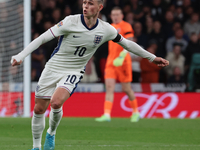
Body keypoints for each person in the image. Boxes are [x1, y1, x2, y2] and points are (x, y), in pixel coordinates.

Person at [10, 0, 169, 150]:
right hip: (53, 67)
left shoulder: (106, 29)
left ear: (100, 7)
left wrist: (152, 58)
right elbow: (43, 38)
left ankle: (51, 133)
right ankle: (36, 146)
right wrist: (21, 56)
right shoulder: (70, 21)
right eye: (84, 2)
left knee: (56, 103)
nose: (85, 6)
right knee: (39, 109)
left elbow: (127, 44)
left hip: (74, 70)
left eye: (90, 3)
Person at [95, 7, 141, 122]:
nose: (115, 16)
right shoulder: (110, 27)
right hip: (111, 62)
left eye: (117, 14)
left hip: (123, 62)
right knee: (109, 88)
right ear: (111, 16)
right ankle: (107, 114)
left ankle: (136, 112)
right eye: (113, 14)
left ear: (122, 16)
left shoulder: (126, 26)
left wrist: (122, 55)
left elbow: (130, 41)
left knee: (126, 88)